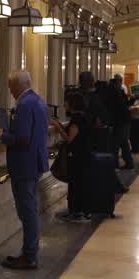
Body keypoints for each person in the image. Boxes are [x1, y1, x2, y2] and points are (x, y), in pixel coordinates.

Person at [0, 70, 49, 271]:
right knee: (30, 208)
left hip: (24, 164)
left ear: (18, 85)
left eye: (10, 86)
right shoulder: (39, 101)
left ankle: (29, 255)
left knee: (27, 211)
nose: (10, 90)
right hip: (35, 162)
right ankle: (29, 252)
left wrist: (3, 136)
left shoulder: (24, 105)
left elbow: (23, 138)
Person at [52, 91, 92, 223]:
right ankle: (78, 211)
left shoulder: (76, 120)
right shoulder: (83, 117)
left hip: (77, 157)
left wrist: (58, 127)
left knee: (75, 184)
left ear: (72, 104)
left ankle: (75, 212)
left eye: (66, 102)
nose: (64, 104)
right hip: (83, 156)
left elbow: (70, 139)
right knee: (79, 184)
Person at [106, 75, 134, 169]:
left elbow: (120, 106)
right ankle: (127, 162)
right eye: (120, 82)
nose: (121, 84)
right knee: (122, 142)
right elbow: (124, 105)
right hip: (122, 120)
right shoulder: (117, 92)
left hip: (120, 121)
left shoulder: (116, 91)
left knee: (118, 143)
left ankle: (117, 163)